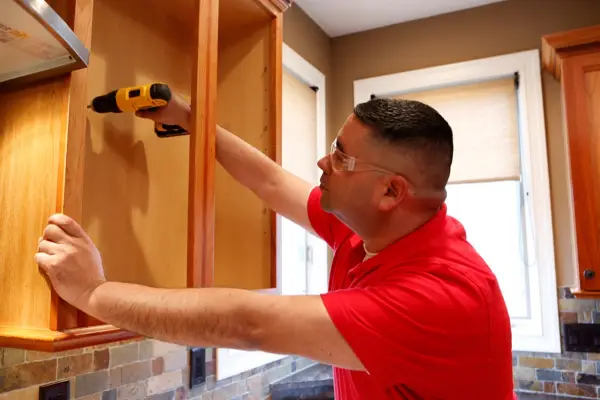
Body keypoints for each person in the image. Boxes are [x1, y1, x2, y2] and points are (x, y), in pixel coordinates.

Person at [35, 95, 515, 399]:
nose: (323, 161)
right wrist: (189, 116)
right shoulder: (372, 231)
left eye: (342, 158)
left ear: (391, 192)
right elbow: (268, 180)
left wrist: (92, 292)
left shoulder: (441, 296)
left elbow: (249, 324)